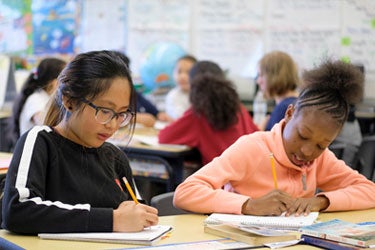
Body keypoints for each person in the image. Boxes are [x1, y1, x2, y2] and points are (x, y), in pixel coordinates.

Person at [173, 60, 375, 216]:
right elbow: (185, 192)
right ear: (289, 113)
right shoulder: (252, 148)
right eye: (302, 135)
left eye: (321, 145)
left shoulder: (320, 159)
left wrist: (320, 201)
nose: (307, 151)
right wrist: (248, 205)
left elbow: (370, 191)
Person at [1, 50, 158, 234]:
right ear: (69, 102)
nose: (113, 125)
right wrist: (112, 220)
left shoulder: (115, 157)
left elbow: (138, 214)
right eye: (105, 111)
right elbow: (17, 211)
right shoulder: (41, 141)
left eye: (121, 114)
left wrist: (141, 217)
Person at [159, 60, 258, 165]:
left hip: (224, 177)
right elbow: (256, 133)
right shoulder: (238, 107)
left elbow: (164, 137)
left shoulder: (198, 114)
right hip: (253, 171)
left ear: (193, 85)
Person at [5, 57, 66, 150]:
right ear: (53, 82)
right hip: (33, 154)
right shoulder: (36, 100)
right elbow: (46, 124)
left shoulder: (46, 98)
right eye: (65, 79)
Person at [116, 52, 173, 127]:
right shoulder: (108, 92)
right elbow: (112, 114)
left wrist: (158, 113)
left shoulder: (130, 90)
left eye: (127, 71)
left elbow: (146, 104)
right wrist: (133, 118)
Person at [256, 51, 300, 131]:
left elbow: (272, 143)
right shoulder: (297, 101)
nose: (258, 81)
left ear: (273, 76)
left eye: (261, 75)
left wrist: (260, 131)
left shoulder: (283, 109)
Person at [164, 55, 197, 120]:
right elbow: (181, 118)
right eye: (179, 72)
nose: (182, 76)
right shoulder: (173, 96)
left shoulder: (201, 94)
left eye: (188, 72)